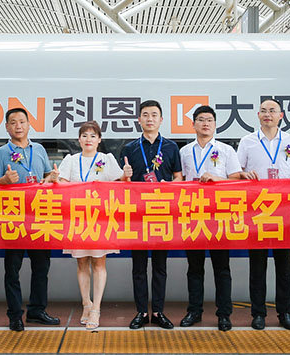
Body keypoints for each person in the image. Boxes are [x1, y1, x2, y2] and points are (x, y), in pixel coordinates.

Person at [236, 98, 290, 331]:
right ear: (258, 115)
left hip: (284, 212)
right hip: (257, 212)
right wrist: (244, 175)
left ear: (281, 116)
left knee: (284, 267)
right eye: (264, 111)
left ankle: (285, 313)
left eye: (272, 110)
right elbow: (237, 173)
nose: (268, 114)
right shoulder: (247, 141)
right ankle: (258, 314)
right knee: (257, 266)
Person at [0, 107, 60, 332]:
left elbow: (45, 176)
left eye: (22, 121)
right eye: (13, 122)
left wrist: (52, 177)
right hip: (13, 217)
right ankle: (15, 315)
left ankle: (37, 310)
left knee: (41, 266)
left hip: (39, 216)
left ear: (29, 125)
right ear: (7, 127)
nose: (18, 126)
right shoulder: (1, 153)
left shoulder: (38, 149)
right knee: (13, 269)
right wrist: (4, 180)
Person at [57, 121, 132, 330]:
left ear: (99, 139)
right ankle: (86, 304)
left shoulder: (106, 159)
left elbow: (120, 182)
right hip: (77, 218)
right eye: (84, 135)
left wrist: (126, 174)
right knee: (81, 263)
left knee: (99, 263)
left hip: (100, 218)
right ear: (79, 140)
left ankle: (96, 308)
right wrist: (55, 179)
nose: (88, 139)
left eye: (92, 135)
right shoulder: (71, 160)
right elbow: (60, 184)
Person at [119, 100, 183, 330]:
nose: (149, 119)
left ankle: (158, 312)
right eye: (145, 115)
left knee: (160, 265)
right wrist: (125, 175)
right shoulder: (129, 149)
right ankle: (141, 312)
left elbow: (179, 177)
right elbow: (121, 183)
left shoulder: (171, 147)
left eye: (154, 115)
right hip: (137, 215)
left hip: (161, 213)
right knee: (138, 266)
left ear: (161, 119)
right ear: (139, 120)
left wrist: (170, 185)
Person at [178, 105, 241, 332]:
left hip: (219, 216)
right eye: (201, 120)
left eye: (209, 120)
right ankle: (194, 311)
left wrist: (216, 179)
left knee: (221, 268)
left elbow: (237, 180)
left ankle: (224, 314)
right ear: (193, 124)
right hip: (193, 215)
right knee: (194, 267)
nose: (205, 124)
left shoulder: (226, 150)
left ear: (215, 124)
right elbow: (179, 180)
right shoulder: (185, 152)